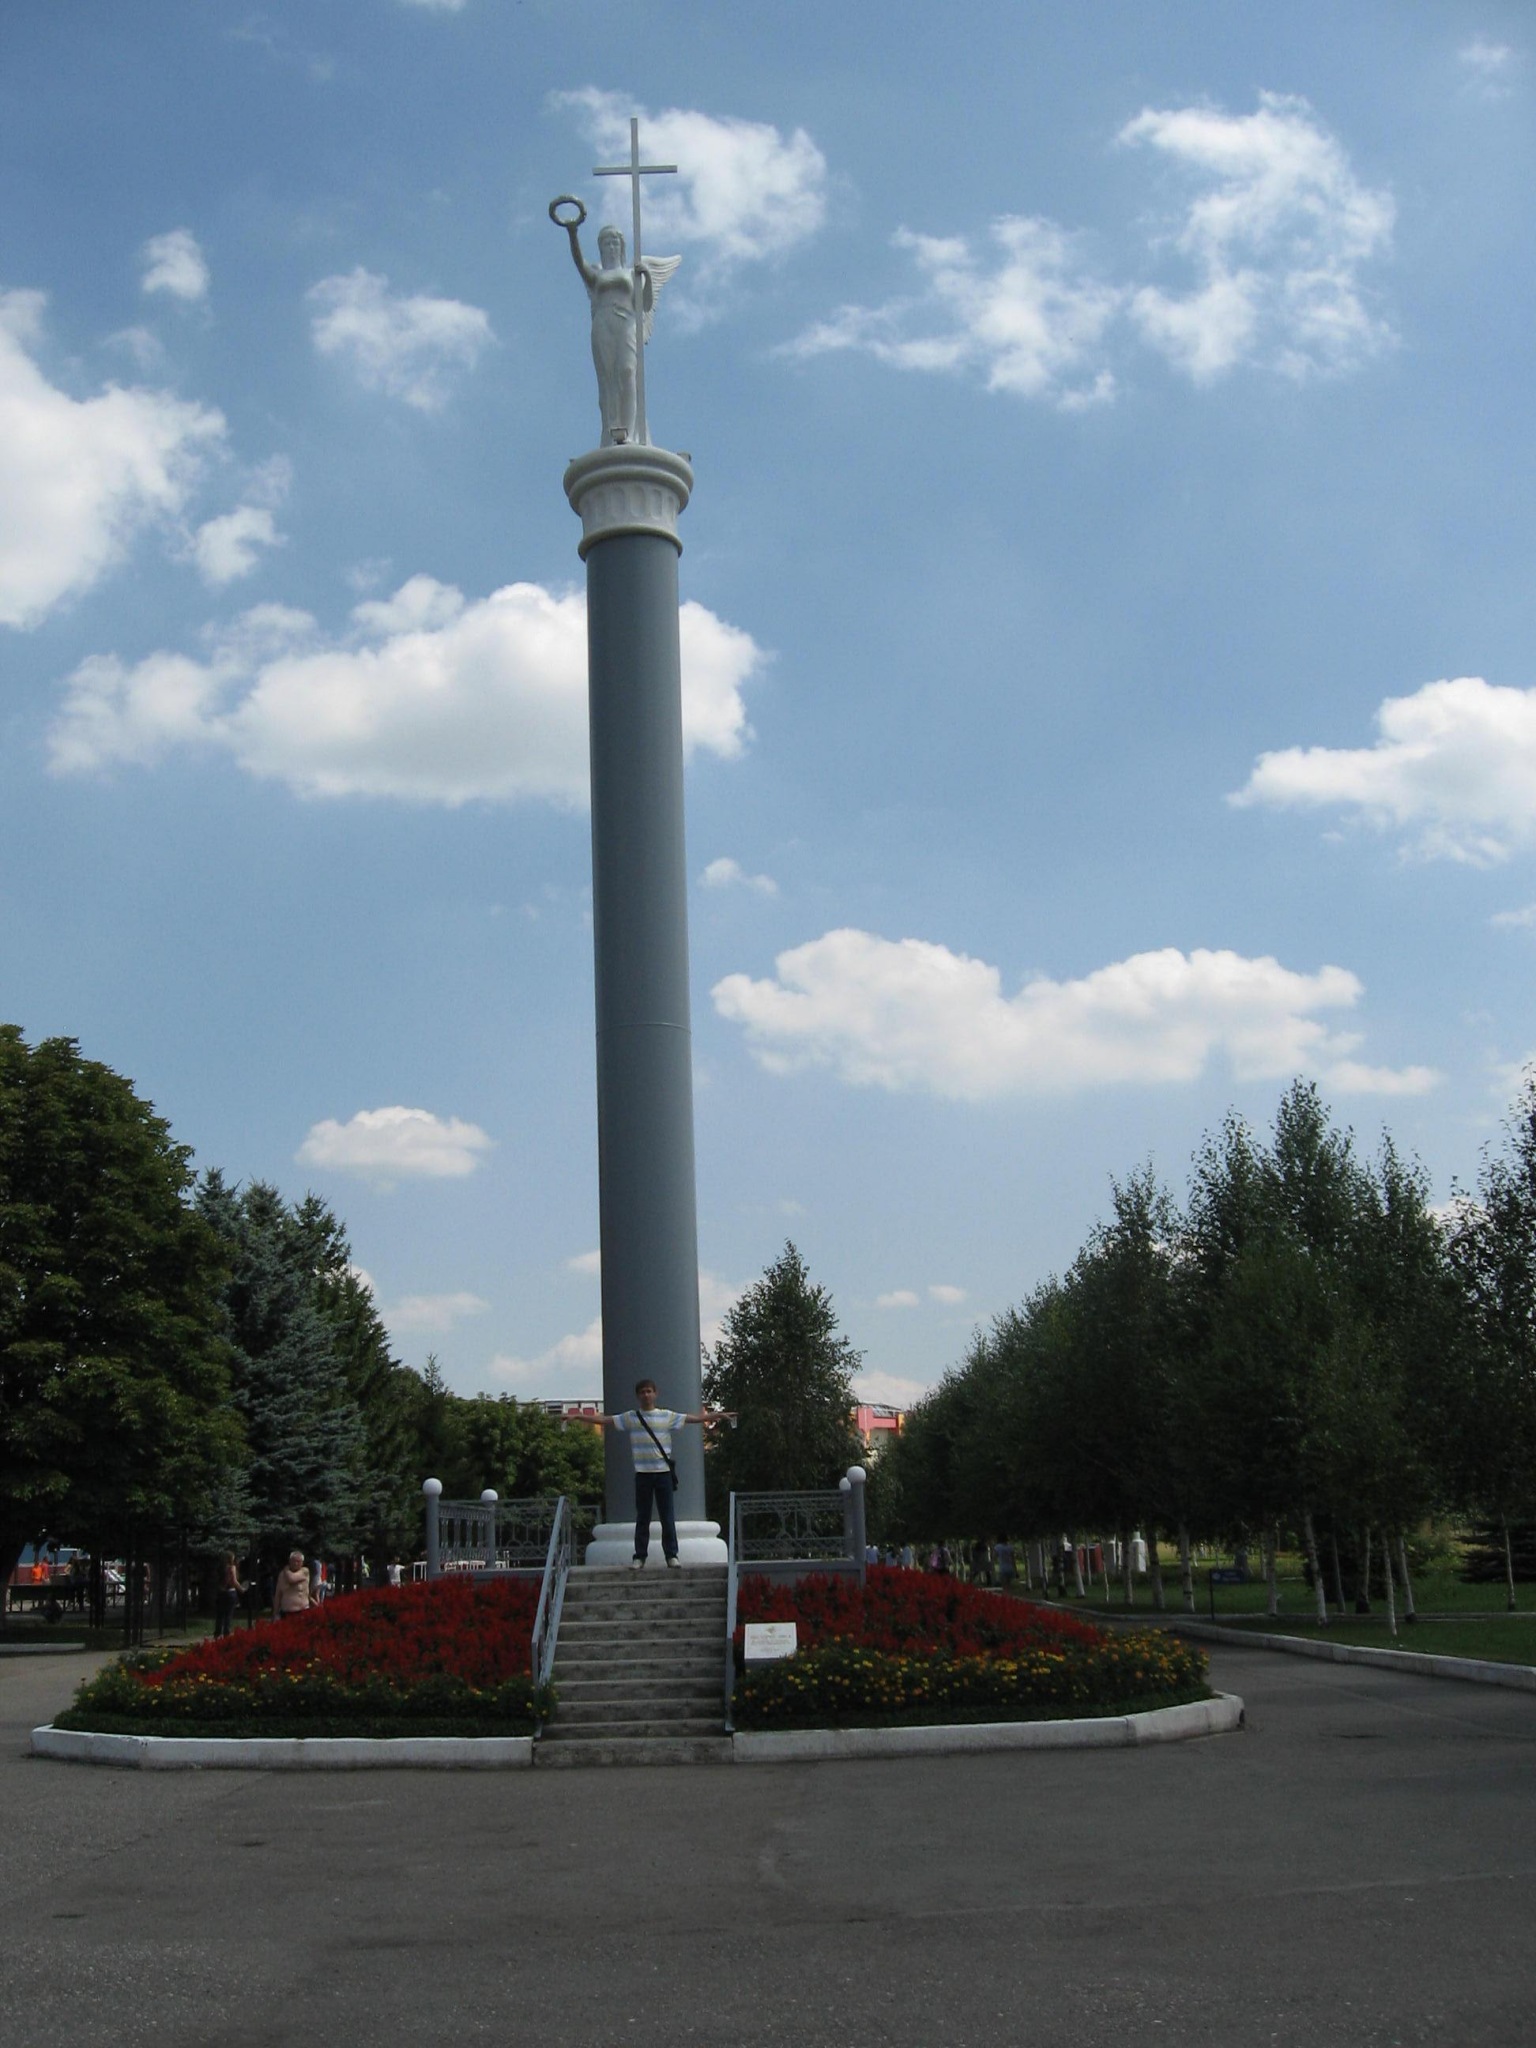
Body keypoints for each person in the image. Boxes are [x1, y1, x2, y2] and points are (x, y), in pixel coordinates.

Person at [558, 211, 682, 446]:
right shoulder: (597, 273)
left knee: (627, 373)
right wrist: (573, 233)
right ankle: (611, 432)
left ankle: (631, 432)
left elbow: (645, 304)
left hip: (627, 323)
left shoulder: (632, 273)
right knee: (608, 380)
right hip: (603, 324)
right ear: (601, 248)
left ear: (622, 246)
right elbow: (578, 262)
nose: (611, 246)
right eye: (606, 243)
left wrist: (646, 275)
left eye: (615, 242)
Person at [591, 1379, 735, 1569]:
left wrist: (718, 1415)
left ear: (655, 1393)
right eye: (642, 1392)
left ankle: (671, 1555)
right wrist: (577, 1417)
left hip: (663, 1474)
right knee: (642, 1517)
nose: (646, 1395)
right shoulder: (632, 1417)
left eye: (649, 1391)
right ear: (638, 1396)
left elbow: (692, 1419)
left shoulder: (665, 1416)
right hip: (643, 1474)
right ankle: (639, 1556)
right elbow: (606, 1420)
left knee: (667, 1516)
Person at [215, 1552, 246, 1639]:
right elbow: (233, 1581)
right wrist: (241, 1589)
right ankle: (226, 1634)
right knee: (228, 1615)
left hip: (221, 1592)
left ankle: (217, 1634)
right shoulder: (232, 1568)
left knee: (220, 1615)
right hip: (230, 1592)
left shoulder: (221, 1568)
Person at [272, 1551, 311, 1620]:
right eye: (293, 1561)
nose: (296, 1563)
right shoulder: (282, 1575)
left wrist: (286, 1569)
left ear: (302, 1563)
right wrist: (275, 1613)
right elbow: (278, 1595)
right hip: (286, 1611)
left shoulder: (305, 1571)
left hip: (302, 1610)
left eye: (298, 1561)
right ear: (289, 1561)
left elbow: (292, 1579)